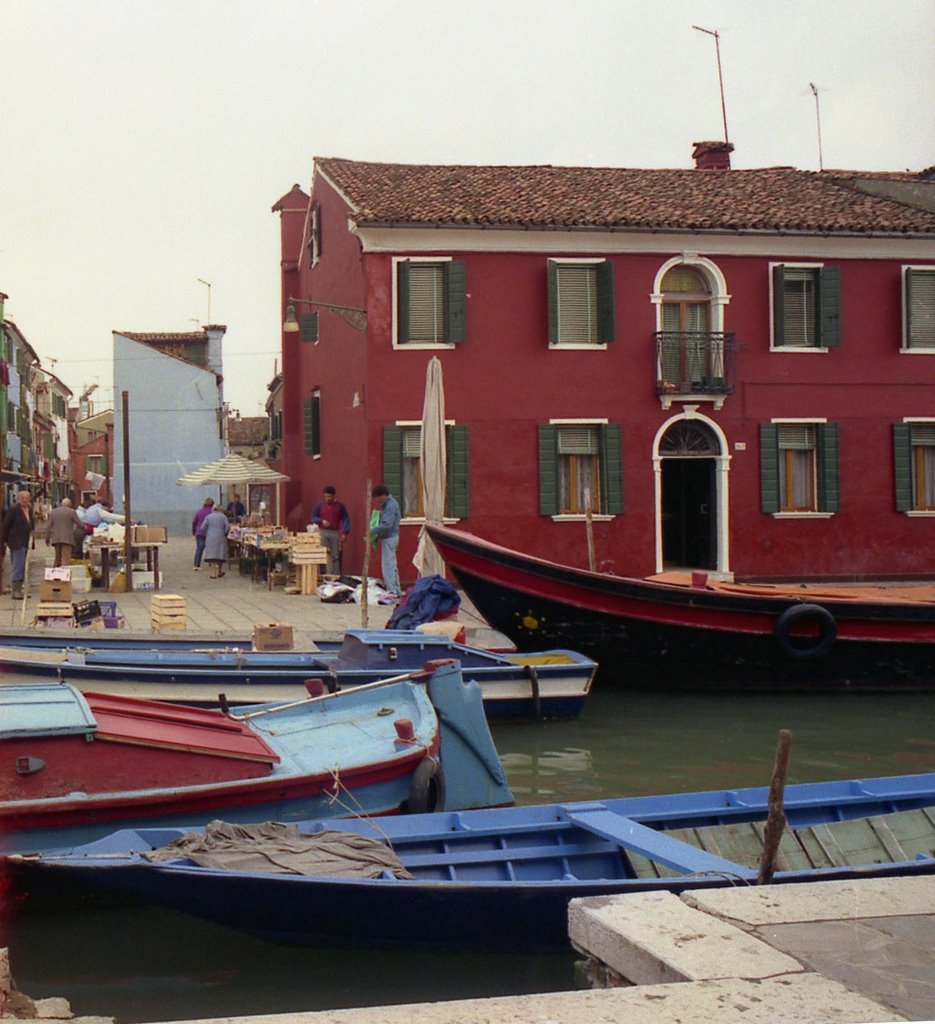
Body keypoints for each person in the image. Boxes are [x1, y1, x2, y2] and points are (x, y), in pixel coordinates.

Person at [1, 490, 36, 600]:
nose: (25, 500)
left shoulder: (29, 509)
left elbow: (31, 525)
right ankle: (15, 590)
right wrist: (5, 540)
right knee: (17, 565)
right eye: (23, 498)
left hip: (26, 541)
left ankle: (21, 589)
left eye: (26, 498)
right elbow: (5, 525)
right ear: (19, 499)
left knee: (24, 566)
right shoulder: (14, 510)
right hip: (16, 541)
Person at [310, 486, 350, 575]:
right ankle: (323, 574)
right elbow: (313, 517)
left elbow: (345, 519)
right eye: (326, 497)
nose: (327, 499)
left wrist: (345, 532)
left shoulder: (340, 506)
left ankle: (336, 574)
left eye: (329, 497)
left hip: (335, 532)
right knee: (323, 553)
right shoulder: (320, 506)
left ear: (333, 496)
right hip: (323, 532)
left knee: (335, 554)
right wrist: (321, 521)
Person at [370, 484, 401, 598]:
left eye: (377, 498)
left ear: (383, 495)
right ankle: (396, 590)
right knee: (392, 564)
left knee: (388, 565)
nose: (377, 500)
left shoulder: (389, 506)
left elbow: (387, 525)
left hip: (389, 537)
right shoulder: (390, 504)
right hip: (392, 537)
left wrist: (372, 530)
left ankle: (391, 591)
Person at [45, 498, 85, 568]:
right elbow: (80, 524)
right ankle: (63, 575)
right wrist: (85, 527)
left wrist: (47, 538)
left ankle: (54, 575)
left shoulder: (54, 512)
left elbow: (48, 526)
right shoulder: (71, 512)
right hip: (67, 539)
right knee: (66, 559)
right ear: (70, 505)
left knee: (57, 558)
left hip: (56, 538)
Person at [202, 504, 231, 579]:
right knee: (219, 554)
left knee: (212, 555)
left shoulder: (208, 517)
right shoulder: (223, 516)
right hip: (220, 536)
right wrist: (225, 532)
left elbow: (203, 527)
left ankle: (213, 573)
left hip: (210, 536)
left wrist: (207, 532)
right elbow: (227, 526)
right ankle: (219, 571)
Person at [191, 497, 215, 570]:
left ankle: (196, 564)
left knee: (199, 548)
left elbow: (194, 522)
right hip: (209, 532)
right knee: (210, 548)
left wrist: (193, 531)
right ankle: (212, 563)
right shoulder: (212, 512)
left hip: (199, 532)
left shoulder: (199, 511)